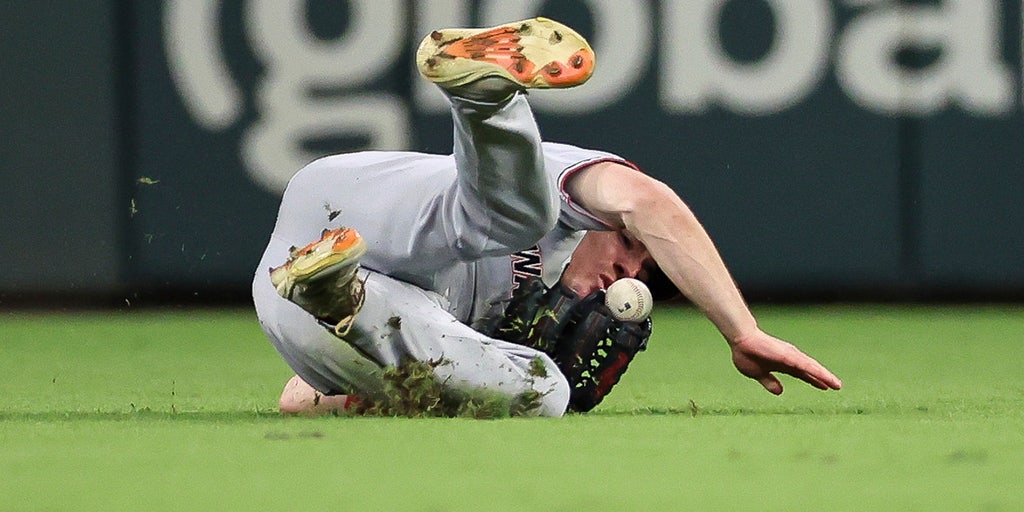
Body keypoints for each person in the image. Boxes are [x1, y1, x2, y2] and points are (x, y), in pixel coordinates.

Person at [252, 17, 842, 417]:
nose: (631, 271)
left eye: (646, 269)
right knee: (503, 220)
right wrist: (743, 333)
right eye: (636, 247)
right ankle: (486, 93)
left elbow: (297, 397)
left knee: (543, 392)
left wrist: (491, 365)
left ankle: (338, 294)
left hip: (300, 301)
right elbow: (649, 201)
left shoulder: (526, 315)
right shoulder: (575, 191)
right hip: (364, 204)